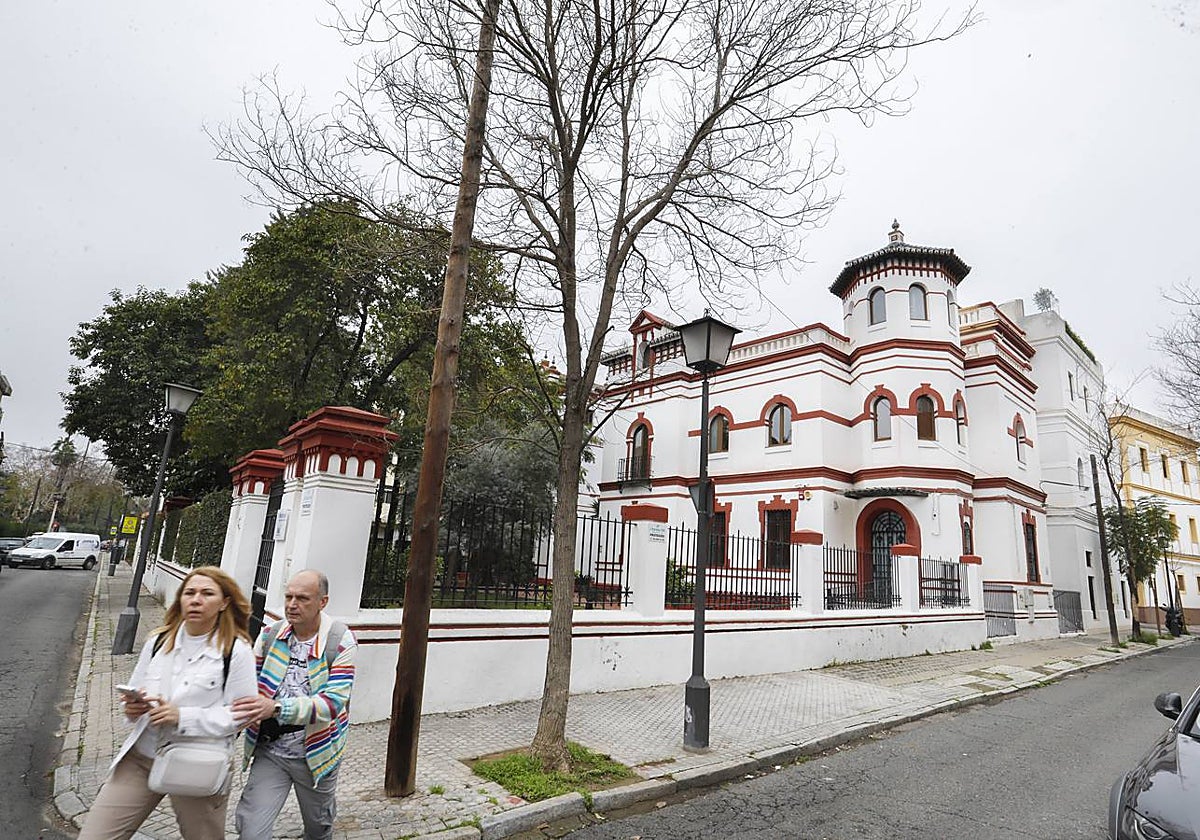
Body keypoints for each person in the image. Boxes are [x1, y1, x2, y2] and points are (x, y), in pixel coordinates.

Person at [78, 566, 257, 840]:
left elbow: (242, 715)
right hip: (141, 756)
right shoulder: (158, 640)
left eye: (207, 593)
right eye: (190, 592)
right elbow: (137, 690)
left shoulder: (236, 650)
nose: (196, 599)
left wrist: (182, 717)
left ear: (224, 602)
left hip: (197, 761)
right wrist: (133, 708)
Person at [233, 569, 356, 840]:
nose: (292, 604)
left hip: (316, 754)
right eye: (288, 596)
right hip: (271, 751)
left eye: (302, 598)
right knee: (251, 829)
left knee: (318, 828)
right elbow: (249, 687)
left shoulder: (339, 641)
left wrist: (276, 708)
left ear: (322, 602)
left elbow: (333, 704)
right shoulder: (269, 636)